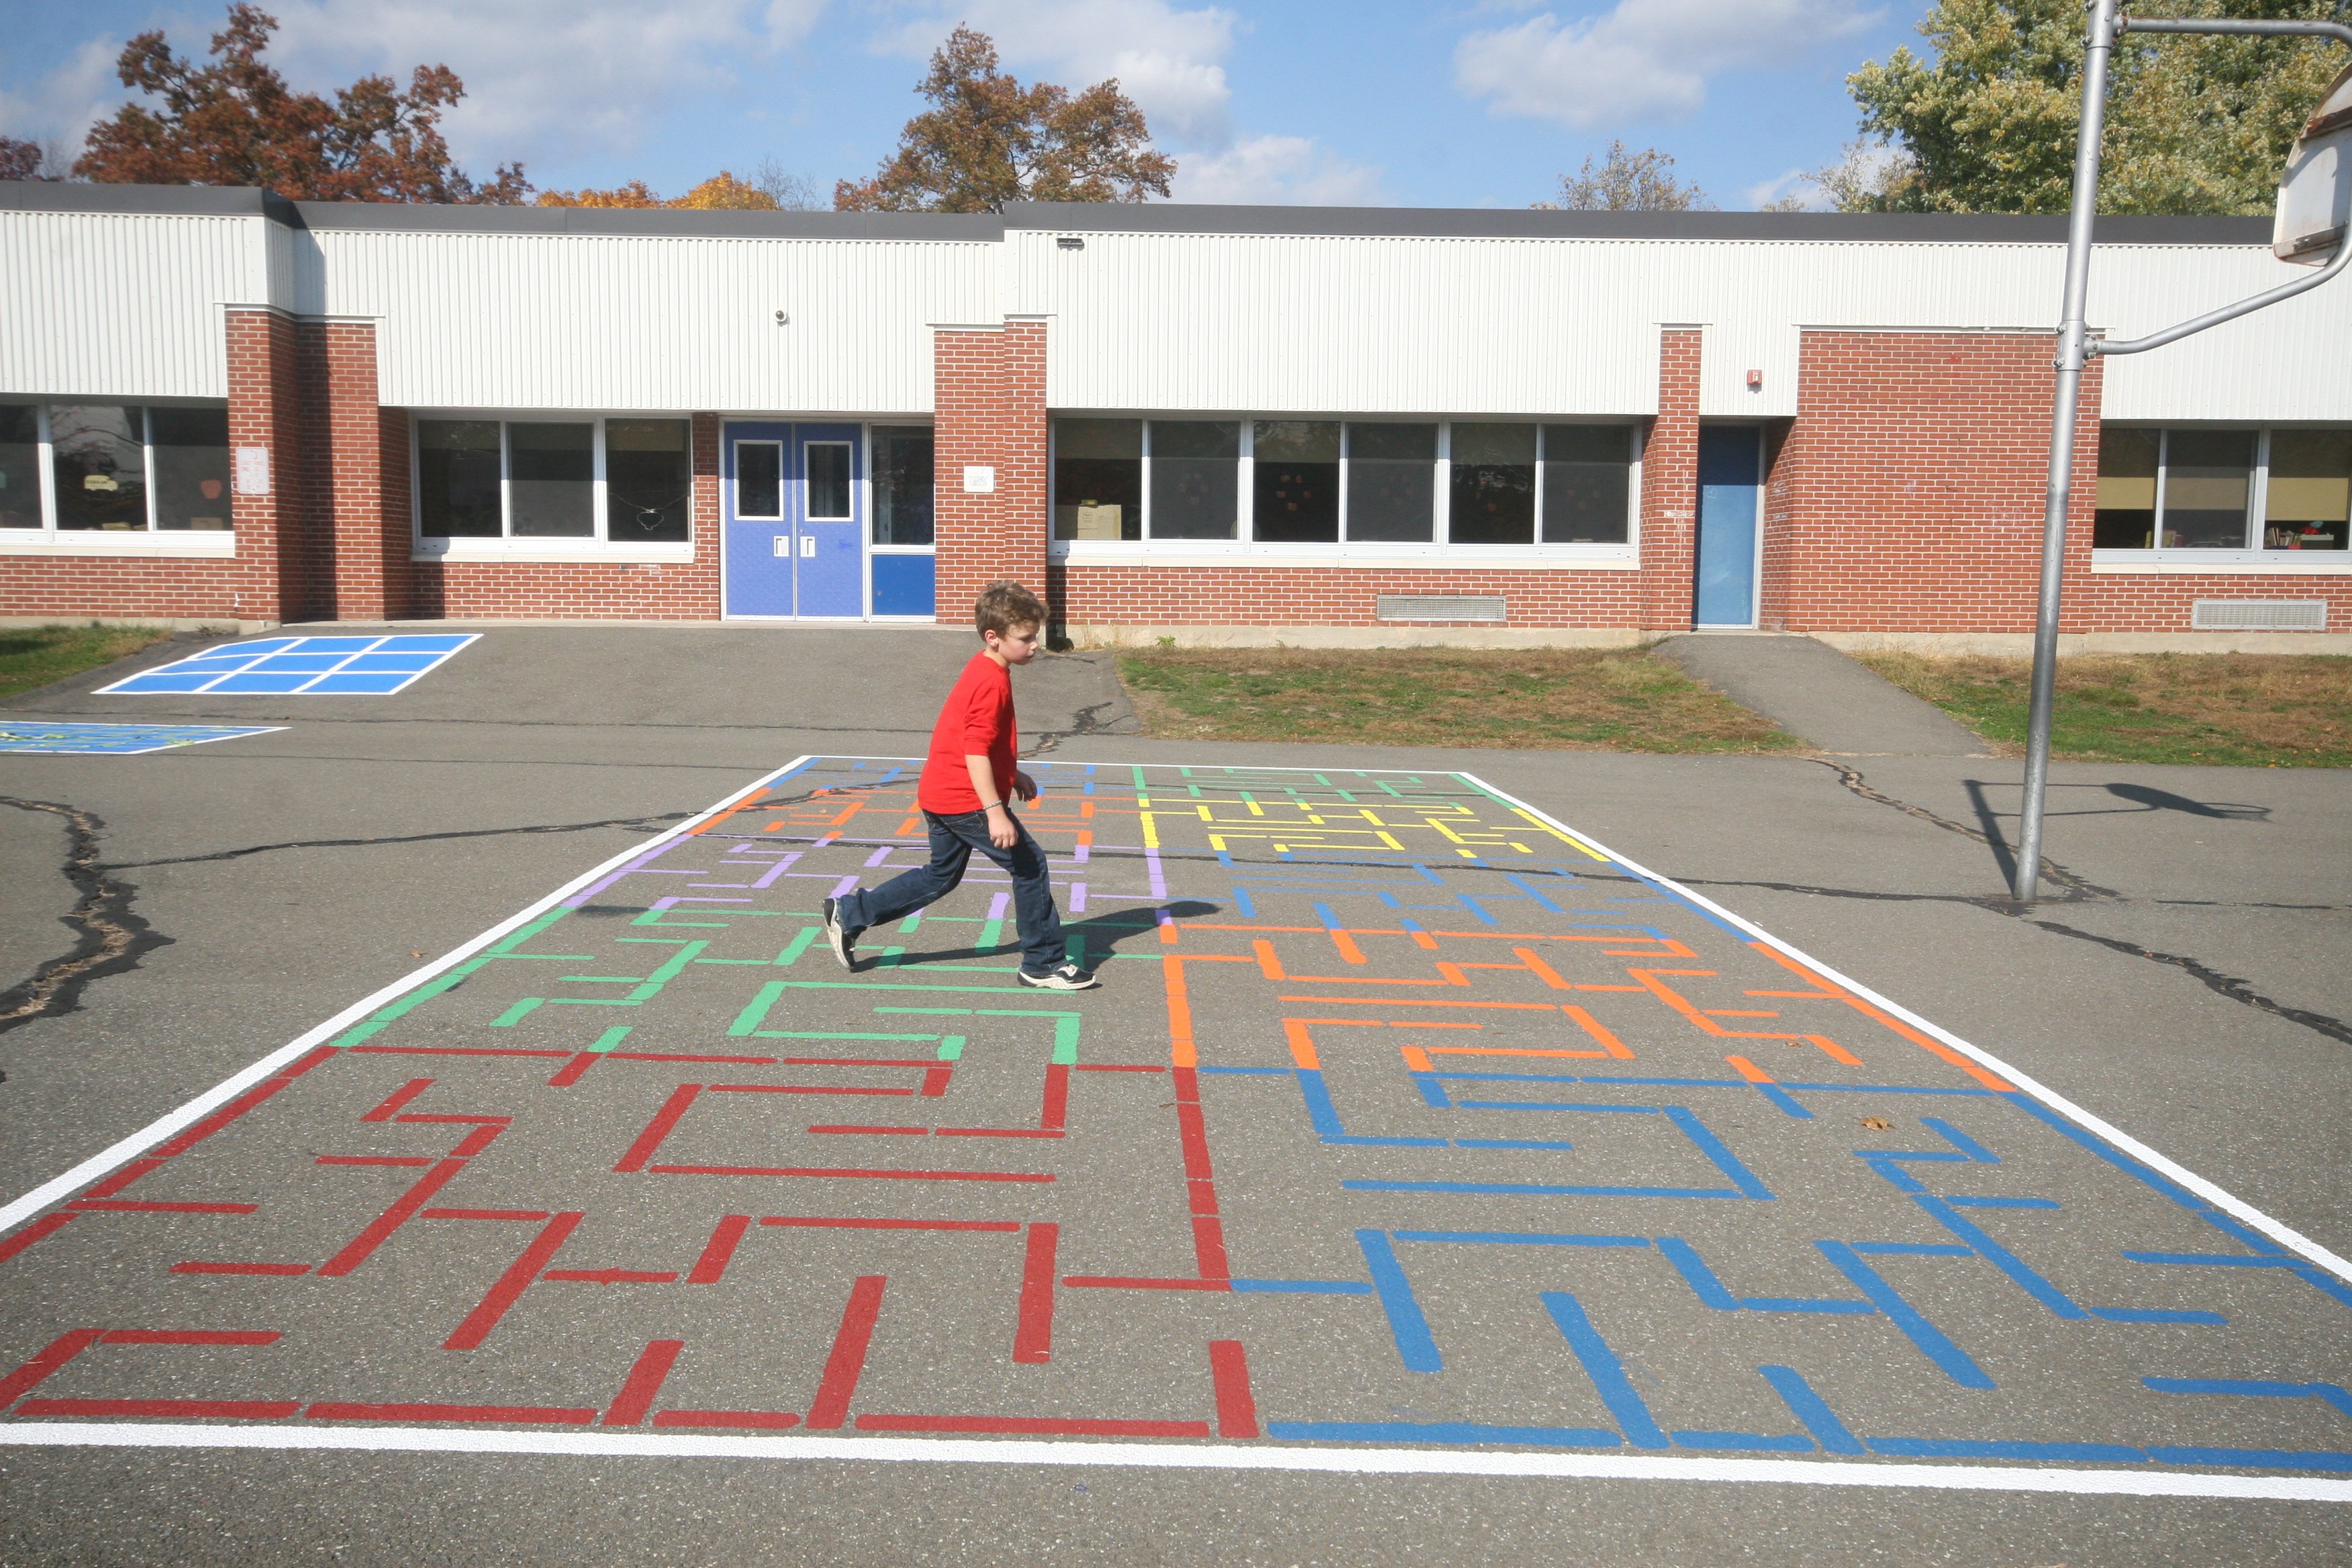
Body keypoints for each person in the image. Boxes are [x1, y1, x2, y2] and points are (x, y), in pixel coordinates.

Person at [821, 581, 1099, 991]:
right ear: (995, 637)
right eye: (1026, 638)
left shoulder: (985, 667)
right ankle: (1042, 963)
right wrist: (994, 810)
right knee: (1030, 866)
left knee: (940, 875)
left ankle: (851, 912)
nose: (1035, 645)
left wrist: (1013, 774)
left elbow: (981, 741)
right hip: (964, 799)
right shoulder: (992, 682)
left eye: (1035, 635)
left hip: (941, 792)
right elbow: (974, 750)